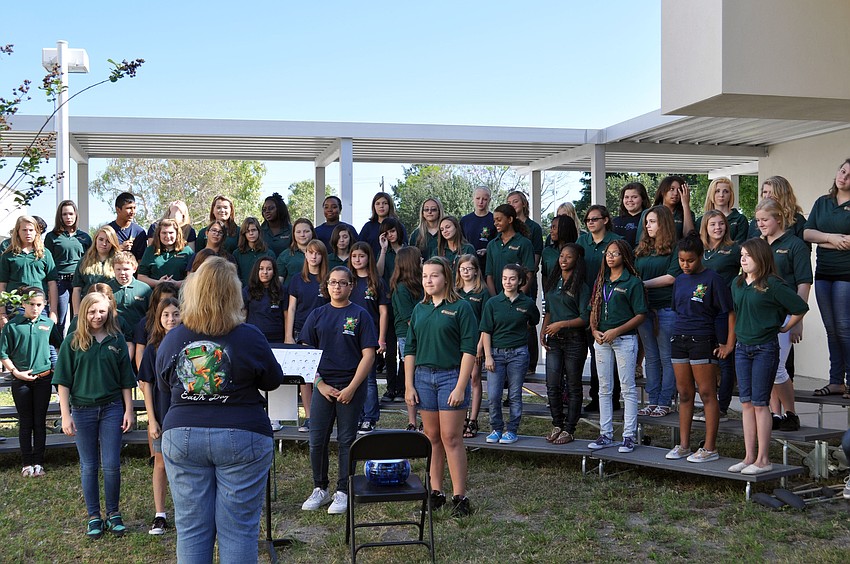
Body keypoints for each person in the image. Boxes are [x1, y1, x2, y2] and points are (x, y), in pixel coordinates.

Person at [156, 257, 284, 562]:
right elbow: (273, 379)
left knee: (191, 529)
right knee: (239, 530)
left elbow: (164, 383)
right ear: (233, 293)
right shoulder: (249, 336)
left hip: (183, 434)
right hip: (243, 435)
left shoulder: (174, 337)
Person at [53, 292, 136, 540]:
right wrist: (65, 415)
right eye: (92, 311)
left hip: (111, 408)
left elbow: (125, 379)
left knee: (111, 465)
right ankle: (93, 516)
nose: (97, 316)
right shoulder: (73, 341)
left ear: (109, 312)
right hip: (81, 410)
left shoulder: (117, 339)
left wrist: (129, 409)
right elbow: (63, 382)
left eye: (102, 311)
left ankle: (113, 513)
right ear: (83, 313)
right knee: (89, 466)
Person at [299, 266, 377, 515]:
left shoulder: (361, 315)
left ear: (351, 286)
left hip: (350, 386)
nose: (337, 287)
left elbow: (369, 354)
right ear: (327, 286)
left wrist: (352, 387)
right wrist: (319, 384)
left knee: (346, 440)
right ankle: (319, 488)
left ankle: (343, 490)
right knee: (317, 439)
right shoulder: (317, 315)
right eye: (333, 283)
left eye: (343, 283)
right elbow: (306, 354)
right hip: (323, 385)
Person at [404, 257, 477, 517]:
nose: (428, 281)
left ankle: (460, 496)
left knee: (451, 438)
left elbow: (469, 349)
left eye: (434, 276)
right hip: (423, 378)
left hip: (450, 377)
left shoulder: (461, 307)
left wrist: (460, 386)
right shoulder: (419, 309)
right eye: (425, 276)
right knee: (431, 437)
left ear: (446, 277)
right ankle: (436, 492)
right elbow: (410, 349)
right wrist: (408, 384)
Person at [728, 238, 808, 475]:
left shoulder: (773, 284)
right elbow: (739, 312)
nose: (743, 259)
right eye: (741, 255)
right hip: (743, 347)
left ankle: (764, 459)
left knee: (761, 403)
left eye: (748, 255)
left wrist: (785, 327)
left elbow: (800, 307)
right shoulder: (738, 283)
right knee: (746, 403)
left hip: (765, 348)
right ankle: (749, 456)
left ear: (761, 257)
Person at [666, 233, 735, 463]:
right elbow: (678, 309)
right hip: (679, 339)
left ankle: (710, 447)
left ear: (701, 256)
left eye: (690, 260)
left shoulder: (713, 279)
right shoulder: (679, 280)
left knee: (706, 393)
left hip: (703, 340)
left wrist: (728, 343)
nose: (685, 265)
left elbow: (729, 313)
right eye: (681, 260)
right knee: (685, 393)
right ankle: (684, 445)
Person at [755, 199, 812, 431]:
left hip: (785, 315)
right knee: (766, 365)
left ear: (778, 218)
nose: (760, 224)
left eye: (765, 220)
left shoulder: (795, 245)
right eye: (758, 220)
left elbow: (804, 283)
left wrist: (799, 321)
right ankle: (775, 413)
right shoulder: (758, 244)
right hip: (760, 315)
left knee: (777, 366)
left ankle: (791, 413)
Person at [588, 240, 647, 454]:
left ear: (625, 256)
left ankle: (628, 436)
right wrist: (594, 330)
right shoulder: (601, 281)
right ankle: (606, 433)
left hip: (624, 339)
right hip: (601, 339)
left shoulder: (632, 282)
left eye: (615, 253)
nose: (610, 256)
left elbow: (641, 314)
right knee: (604, 388)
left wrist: (618, 331)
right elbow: (593, 307)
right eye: (608, 253)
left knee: (627, 387)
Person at [0, 287, 60, 477]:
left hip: (43, 379)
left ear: (44, 305)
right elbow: (3, 353)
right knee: (26, 422)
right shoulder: (13, 326)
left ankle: (39, 462)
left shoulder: (48, 324)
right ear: (23, 304)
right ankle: (27, 462)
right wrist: (15, 372)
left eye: (39, 305)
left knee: (39, 421)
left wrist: (53, 367)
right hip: (21, 380)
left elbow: (60, 344)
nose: (35, 308)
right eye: (31, 304)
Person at [805, 158, 850, 399]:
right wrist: (832, 238)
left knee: (844, 328)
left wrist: (824, 240)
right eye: (842, 171)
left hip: (846, 274)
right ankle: (835, 381)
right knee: (831, 329)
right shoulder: (822, 202)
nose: (843, 177)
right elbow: (807, 232)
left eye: (849, 175)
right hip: (823, 273)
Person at [136, 296, 181, 536]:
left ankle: (185, 511)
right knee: (161, 463)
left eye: (175, 314)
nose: (171, 319)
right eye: (166, 315)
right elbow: (146, 385)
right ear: (158, 318)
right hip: (161, 417)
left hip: (184, 416)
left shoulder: (188, 343)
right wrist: (152, 420)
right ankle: (160, 515)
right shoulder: (153, 348)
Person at [481, 264, 540, 445]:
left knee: (514, 395)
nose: (508, 282)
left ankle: (512, 430)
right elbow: (486, 331)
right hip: (496, 354)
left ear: (520, 281)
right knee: (493, 395)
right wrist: (488, 356)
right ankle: (496, 428)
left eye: (512, 278)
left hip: (518, 354)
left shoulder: (527, 303)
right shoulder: (493, 303)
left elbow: (534, 321)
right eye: (505, 278)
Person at [634, 206, 681, 418]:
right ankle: (652, 400)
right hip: (645, 310)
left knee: (666, 356)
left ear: (663, 223)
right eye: (646, 222)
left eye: (652, 221)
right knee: (651, 357)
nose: (647, 226)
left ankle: (665, 400)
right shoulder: (642, 249)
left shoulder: (675, 248)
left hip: (666, 309)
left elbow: (672, 277)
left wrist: (642, 284)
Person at [541, 244, 589, 445]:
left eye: (569, 257)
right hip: (554, 341)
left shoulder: (582, 287)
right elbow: (549, 311)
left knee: (573, 385)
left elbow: (584, 319)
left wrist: (561, 325)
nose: (563, 259)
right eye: (561, 256)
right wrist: (543, 331)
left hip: (574, 340)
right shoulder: (553, 283)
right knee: (552, 385)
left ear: (576, 260)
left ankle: (570, 429)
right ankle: (557, 424)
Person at [576, 205, 622, 413]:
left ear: (605, 220)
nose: (591, 223)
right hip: (586, 302)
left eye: (595, 219)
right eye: (588, 220)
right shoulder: (582, 241)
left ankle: (612, 398)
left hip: (610, 302)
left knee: (608, 353)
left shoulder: (616, 241)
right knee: (593, 353)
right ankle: (596, 397)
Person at [699, 210, 741, 420]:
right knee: (705, 361)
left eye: (721, 224)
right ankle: (708, 404)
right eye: (713, 224)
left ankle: (722, 407)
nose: (718, 228)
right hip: (703, 312)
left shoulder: (734, 249)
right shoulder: (701, 251)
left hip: (725, 311)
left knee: (724, 360)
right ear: (705, 227)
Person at [286, 239, 329, 432]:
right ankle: (310, 417)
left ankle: (324, 416)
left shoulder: (328, 279)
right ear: (305, 254)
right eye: (310, 252)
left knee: (324, 374)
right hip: (301, 332)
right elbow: (292, 308)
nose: (314, 256)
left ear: (322, 256)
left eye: (318, 253)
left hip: (325, 333)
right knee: (305, 376)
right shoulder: (297, 279)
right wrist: (289, 335)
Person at [348, 242, 389, 434]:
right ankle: (356, 416)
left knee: (370, 379)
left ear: (368, 258)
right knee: (352, 378)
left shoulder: (376, 281)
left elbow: (383, 312)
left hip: (370, 337)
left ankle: (370, 418)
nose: (357, 259)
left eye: (361, 256)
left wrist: (381, 338)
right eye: (354, 256)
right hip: (348, 335)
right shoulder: (348, 281)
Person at [507, 191, 543, 373]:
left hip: (526, 281)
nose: (513, 204)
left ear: (523, 203)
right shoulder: (507, 227)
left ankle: (531, 364)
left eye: (516, 201)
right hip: (508, 284)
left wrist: (527, 279)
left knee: (528, 320)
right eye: (509, 202)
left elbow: (536, 255)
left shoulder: (533, 227)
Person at [0, 215, 58, 329]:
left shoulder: (45, 253)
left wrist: (53, 311)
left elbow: (52, 284)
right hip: (15, 306)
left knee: (44, 341)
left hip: (39, 305)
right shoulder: (8, 255)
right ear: (18, 232)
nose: (28, 233)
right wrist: (2, 314)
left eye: (31, 230)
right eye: (24, 230)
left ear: (36, 232)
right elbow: (2, 285)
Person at [455, 254, 490, 439]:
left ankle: (473, 419)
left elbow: (485, 323)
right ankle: (460, 419)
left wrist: (480, 347)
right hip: (456, 344)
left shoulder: (482, 292)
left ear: (476, 270)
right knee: (458, 380)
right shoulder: (455, 291)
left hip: (474, 343)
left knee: (475, 379)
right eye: (462, 269)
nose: (466, 272)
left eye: (469, 268)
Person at [390, 247, 424, 429]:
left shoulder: (420, 284)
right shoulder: (401, 288)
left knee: (422, 378)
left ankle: (425, 419)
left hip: (422, 336)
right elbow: (410, 318)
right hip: (409, 338)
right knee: (413, 378)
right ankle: (412, 421)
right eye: (419, 259)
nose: (422, 261)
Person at [45, 200, 91, 331]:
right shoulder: (52, 237)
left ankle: (76, 348)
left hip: (79, 282)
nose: (68, 217)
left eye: (71, 213)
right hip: (60, 282)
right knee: (58, 319)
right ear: (60, 216)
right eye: (64, 214)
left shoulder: (85, 237)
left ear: (76, 215)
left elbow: (90, 260)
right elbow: (47, 262)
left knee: (79, 319)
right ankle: (57, 349)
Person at [484, 204, 534, 295]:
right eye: (494, 220)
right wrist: (494, 299)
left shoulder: (524, 243)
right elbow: (489, 275)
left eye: (499, 220)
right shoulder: (492, 245)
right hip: (497, 300)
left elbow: (529, 274)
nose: (495, 223)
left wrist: (518, 298)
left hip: (518, 300)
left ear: (510, 220)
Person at [71, 225, 120, 315]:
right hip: (88, 310)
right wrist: (77, 314)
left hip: (112, 311)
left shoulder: (118, 260)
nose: (104, 244)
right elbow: (77, 289)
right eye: (101, 239)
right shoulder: (84, 261)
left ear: (113, 243)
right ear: (95, 240)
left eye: (108, 241)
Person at [133, 282, 179, 371]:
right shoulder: (145, 322)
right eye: (162, 300)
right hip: (153, 369)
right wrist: (142, 374)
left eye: (171, 299)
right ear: (156, 302)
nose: (167, 304)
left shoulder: (180, 321)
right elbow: (140, 350)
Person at [747, 175, 807, 242]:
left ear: (783, 195)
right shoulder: (755, 222)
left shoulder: (797, 220)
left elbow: (804, 249)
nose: (767, 196)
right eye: (765, 192)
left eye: (772, 192)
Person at [137, 219, 194, 289]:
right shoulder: (150, 250)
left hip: (180, 295)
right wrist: (158, 283)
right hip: (156, 294)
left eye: (171, 233)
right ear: (159, 234)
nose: (167, 236)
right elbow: (141, 277)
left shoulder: (187, 251)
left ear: (177, 234)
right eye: (164, 233)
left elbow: (193, 278)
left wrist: (176, 284)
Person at [107, 251, 152, 337]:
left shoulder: (145, 289)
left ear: (134, 269)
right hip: (113, 335)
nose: (122, 273)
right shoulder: (107, 289)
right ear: (113, 269)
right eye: (118, 269)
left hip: (139, 335)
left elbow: (151, 313)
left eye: (126, 269)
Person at [637, 176, 696, 240]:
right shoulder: (648, 213)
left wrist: (685, 205)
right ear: (663, 191)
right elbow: (639, 241)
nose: (676, 193)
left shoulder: (687, 214)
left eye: (679, 190)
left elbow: (690, 238)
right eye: (672, 189)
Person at [695, 177, 748, 244]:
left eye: (725, 191)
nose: (721, 195)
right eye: (717, 191)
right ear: (711, 194)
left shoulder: (740, 219)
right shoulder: (701, 220)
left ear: (731, 194)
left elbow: (740, 246)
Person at [360, 191, 407, 258]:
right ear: (374, 207)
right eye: (378, 204)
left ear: (389, 205)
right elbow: (360, 248)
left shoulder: (399, 226)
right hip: (373, 265)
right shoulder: (368, 227)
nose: (381, 206)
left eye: (385, 203)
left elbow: (405, 246)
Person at [460, 186, 496, 274]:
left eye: (484, 199)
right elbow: (460, 241)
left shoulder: (494, 219)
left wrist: (487, 250)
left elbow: (498, 242)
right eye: (478, 198)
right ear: (473, 198)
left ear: (489, 200)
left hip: (488, 265)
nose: (480, 202)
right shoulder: (465, 220)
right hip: (468, 266)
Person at [232, 217, 276, 287]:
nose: (251, 233)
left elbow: (274, 277)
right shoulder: (237, 254)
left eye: (253, 230)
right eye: (247, 231)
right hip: (243, 293)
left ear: (259, 231)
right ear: (244, 233)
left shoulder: (268, 253)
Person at [541, 215, 579, 290]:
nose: (551, 231)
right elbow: (545, 276)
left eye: (554, 228)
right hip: (552, 296)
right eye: (551, 227)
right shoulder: (547, 252)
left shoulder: (577, 250)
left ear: (565, 228)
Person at [107, 192, 147, 262]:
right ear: (118, 209)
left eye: (134, 208)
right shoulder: (107, 230)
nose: (132, 212)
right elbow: (101, 254)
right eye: (129, 208)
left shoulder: (139, 232)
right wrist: (120, 248)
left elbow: (141, 260)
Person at [277, 218, 315, 286]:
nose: (302, 235)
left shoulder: (321, 253)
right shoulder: (285, 255)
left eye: (306, 231)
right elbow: (279, 282)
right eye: (298, 232)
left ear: (312, 232)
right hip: (291, 295)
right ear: (293, 234)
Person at [612, 182, 650, 248]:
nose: (629, 200)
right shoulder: (615, 221)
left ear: (643, 199)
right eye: (626, 197)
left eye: (634, 197)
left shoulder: (649, 220)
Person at [376, 217, 405, 285]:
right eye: (386, 233)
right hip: (388, 292)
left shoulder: (409, 250)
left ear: (398, 230)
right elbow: (379, 274)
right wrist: (383, 249)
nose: (390, 235)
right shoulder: (383, 252)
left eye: (392, 231)